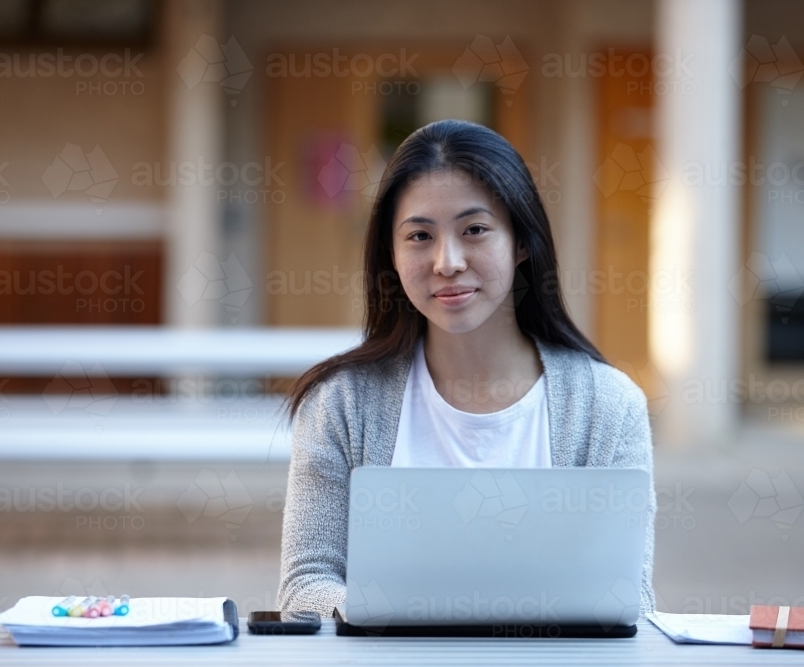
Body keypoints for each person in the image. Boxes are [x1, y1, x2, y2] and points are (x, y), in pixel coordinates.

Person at [276, 119, 656, 617]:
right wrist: (403, 616)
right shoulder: (341, 403)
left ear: (521, 242)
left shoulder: (608, 406)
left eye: (474, 230)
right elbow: (305, 585)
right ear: (390, 253)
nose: (447, 261)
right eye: (419, 236)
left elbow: (629, 598)